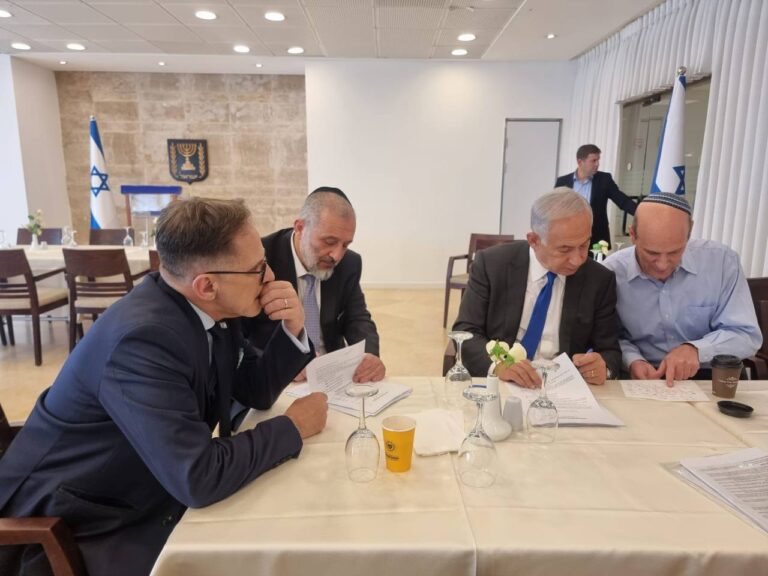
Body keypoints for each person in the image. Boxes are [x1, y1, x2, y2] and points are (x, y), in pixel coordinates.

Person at [0, 198, 329, 576]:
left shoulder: (208, 307)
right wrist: (292, 427)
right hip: (79, 520)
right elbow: (199, 477)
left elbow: (251, 392)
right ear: (207, 285)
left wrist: (293, 329)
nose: (270, 276)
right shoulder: (142, 340)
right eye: (258, 269)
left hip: (148, 479)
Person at [453, 188, 622, 388]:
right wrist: (499, 365)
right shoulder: (493, 265)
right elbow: (466, 332)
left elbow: (610, 351)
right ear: (534, 240)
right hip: (502, 383)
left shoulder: (599, 279)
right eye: (565, 249)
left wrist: (604, 367)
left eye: (584, 245)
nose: (577, 259)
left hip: (563, 387)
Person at [603, 193, 762, 386]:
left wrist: (696, 350)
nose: (662, 265)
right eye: (652, 253)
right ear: (633, 235)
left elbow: (746, 335)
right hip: (644, 377)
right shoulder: (611, 272)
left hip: (712, 374)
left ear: (690, 232)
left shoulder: (721, 262)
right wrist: (632, 360)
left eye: (674, 252)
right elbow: (610, 337)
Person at [244, 186, 385, 383]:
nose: (337, 255)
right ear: (300, 228)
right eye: (329, 241)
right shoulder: (261, 259)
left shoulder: (349, 264)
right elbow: (240, 336)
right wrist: (283, 360)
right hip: (278, 375)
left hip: (332, 374)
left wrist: (369, 355)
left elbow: (357, 317)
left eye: (345, 245)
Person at [556, 144, 637, 248]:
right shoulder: (562, 182)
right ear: (580, 162)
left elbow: (623, 201)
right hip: (569, 238)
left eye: (598, 160)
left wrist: (642, 213)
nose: (597, 164)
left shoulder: (604, 179)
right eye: (593, 161)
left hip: (598, 240)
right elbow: (555, 209)